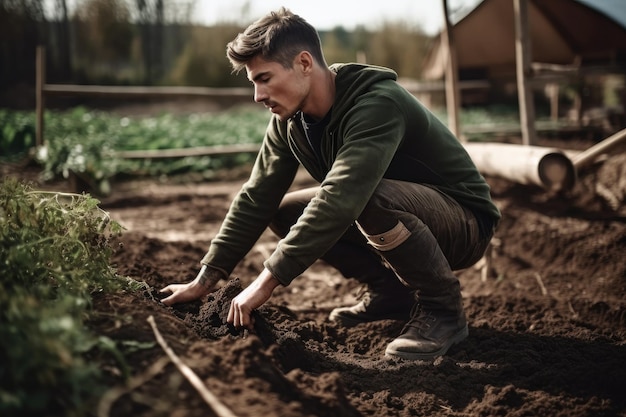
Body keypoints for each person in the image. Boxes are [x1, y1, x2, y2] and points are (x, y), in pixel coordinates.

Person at [160, 7, 500, 361]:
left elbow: (342, 196)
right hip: (401, 216)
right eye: (253, 83)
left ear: (304, 63)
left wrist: (266, 282)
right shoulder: (290, 121)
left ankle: (443, 311)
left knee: (364, 198)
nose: (258, 96)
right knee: (285, 212)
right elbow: (256, 195)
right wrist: (204, 280)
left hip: (463, 223)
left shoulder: (377, 104)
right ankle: (389, 294)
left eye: (265, 78)